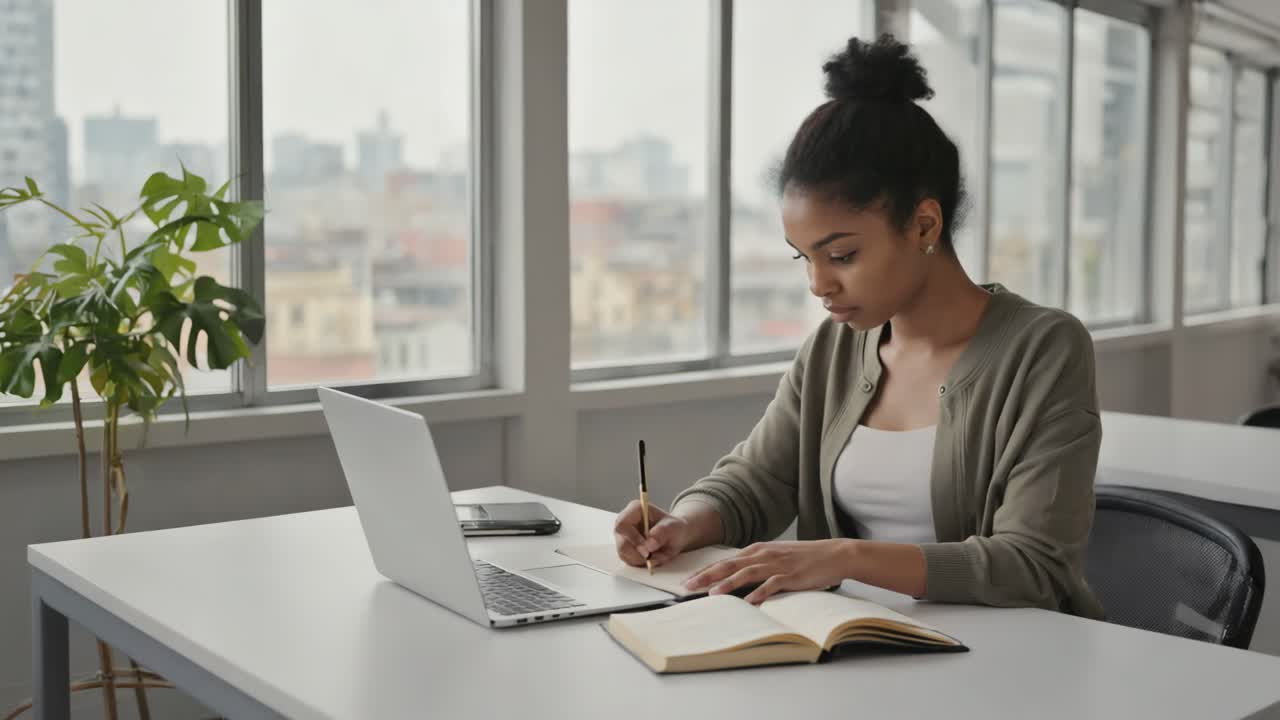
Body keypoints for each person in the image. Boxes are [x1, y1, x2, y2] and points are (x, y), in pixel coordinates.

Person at [613, 34, 1103, 618]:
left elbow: (1034, 564)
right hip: (852, 648)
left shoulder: (1043, 350)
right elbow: (759, 480)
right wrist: (683, 523)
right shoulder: (834, 347)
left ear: (923, 225)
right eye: (804, 257)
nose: (818, 284)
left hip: (1005, 668)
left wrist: (845, 558)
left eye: (841, 256)